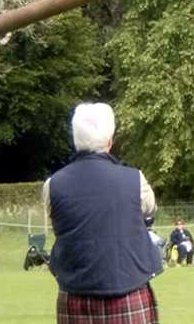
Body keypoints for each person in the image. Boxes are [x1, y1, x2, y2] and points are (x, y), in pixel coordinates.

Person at [44, 102, 162, 323]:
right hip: (127, 291)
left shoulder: (52, 185)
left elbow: (57, 220)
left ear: (75, 140)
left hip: (74, 295)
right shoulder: (135, 179)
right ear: (110, 141)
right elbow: (149, 208)